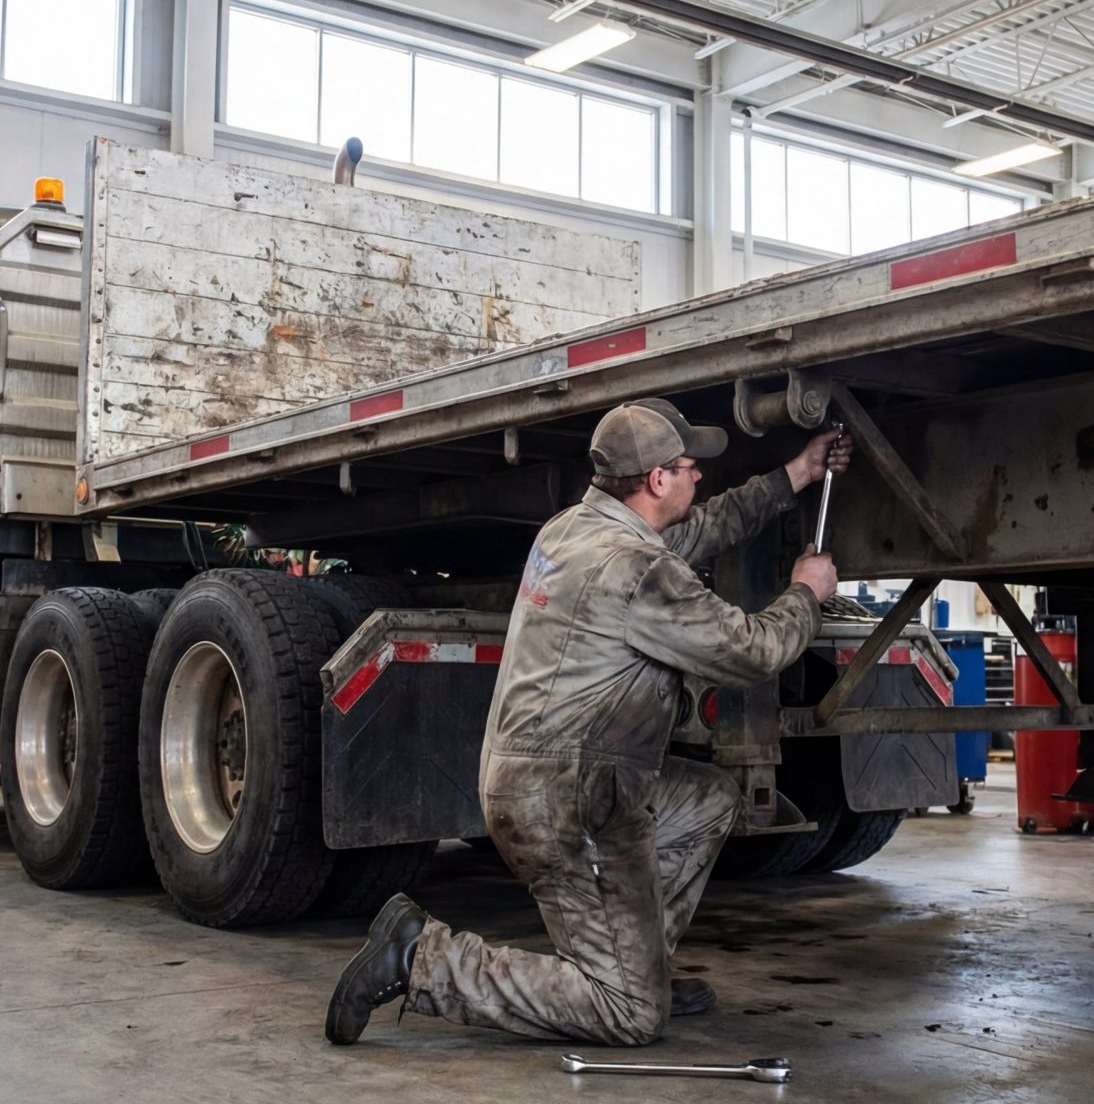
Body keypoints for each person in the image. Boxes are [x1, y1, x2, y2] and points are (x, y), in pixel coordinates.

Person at [325, 397, 851, 1047]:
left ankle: (641, 967)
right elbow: (752, 650)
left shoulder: (571, 530)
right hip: (572, 803)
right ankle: (421, 958)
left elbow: (701, 530)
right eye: (690, 467)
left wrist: (797, 472)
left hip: (542, 779)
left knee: (710, 798)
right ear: (658, 480)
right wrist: (807, 591)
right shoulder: (635, 569)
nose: (699, 478)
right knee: (630, 1016)